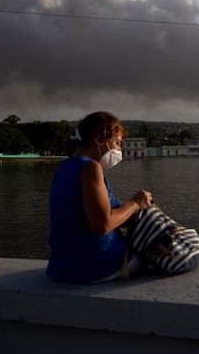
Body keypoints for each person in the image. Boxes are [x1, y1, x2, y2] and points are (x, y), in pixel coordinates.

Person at [46, 111, 152, 283]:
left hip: (60, 267)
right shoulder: (91, 168)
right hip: (93, 266)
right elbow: (103, 225)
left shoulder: (64, 168)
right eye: (117, 143)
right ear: (100, 139)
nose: (119, 150)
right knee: (166, 256)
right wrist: (135, 203)